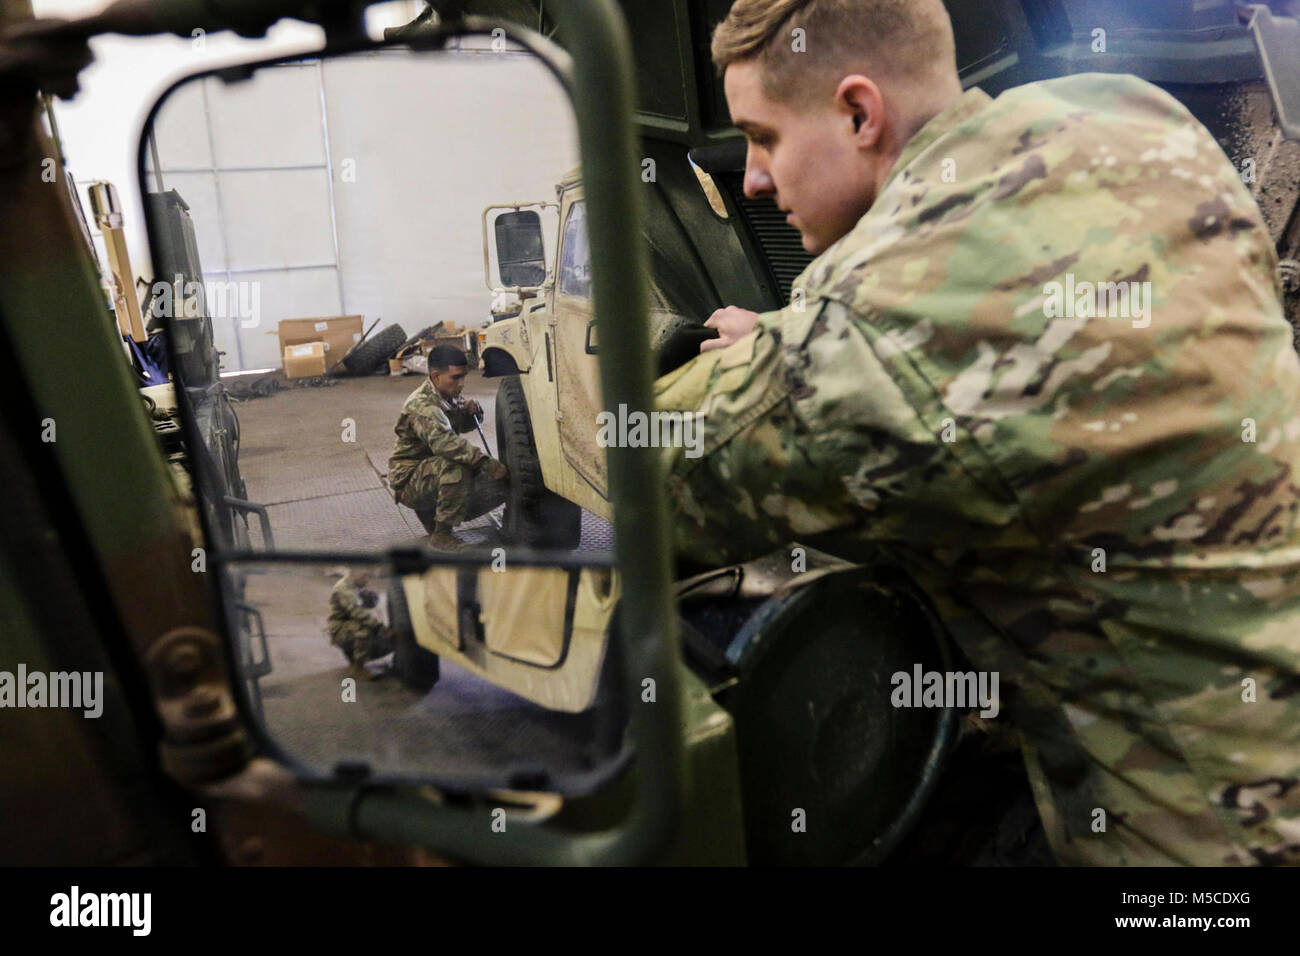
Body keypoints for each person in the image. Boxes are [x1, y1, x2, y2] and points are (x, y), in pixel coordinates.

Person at [654, 0, 1300, 865]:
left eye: (762, 138)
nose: (754, 181)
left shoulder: (878, 334)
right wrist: (789, 344)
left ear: (858, 112)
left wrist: (777, 357)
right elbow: (990, 320)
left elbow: (648, 483)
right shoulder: (1126, 114)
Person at [388, 344, 509, 550]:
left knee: (496, 481)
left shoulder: (446, 395)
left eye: (464, 376)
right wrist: (486, 463)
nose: (462, 384)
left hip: (428, 472)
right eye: (456, 377)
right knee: (458, 466)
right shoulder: (423, 405)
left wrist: (470, 413)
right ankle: (441, 536)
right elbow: (446, 444)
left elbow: (457, 426)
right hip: (409, 481)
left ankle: (434, 519)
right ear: (435, 376)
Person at [327, 570, 393, 681]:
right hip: (339, 628)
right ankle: (358, 670)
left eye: (368, 576)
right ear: (353, 573)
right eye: (364, 576)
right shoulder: (343, 589)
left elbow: (363, 603)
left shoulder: (355, 584)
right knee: (364, 629)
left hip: (346, 624)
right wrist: (379, 627)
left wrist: (369, 597)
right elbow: (357, 613)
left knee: (366, 626)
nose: (367, 580)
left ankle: (353, 660)